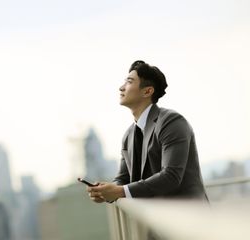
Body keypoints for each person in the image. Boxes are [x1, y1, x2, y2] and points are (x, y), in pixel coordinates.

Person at [87, 60, 208, 203]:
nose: (121, 87)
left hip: (187, 217)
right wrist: (105, 190)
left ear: (147, 91)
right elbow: (123, 178)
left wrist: (119, 191)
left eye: (129, 82)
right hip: (153, 219)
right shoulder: (129, 135)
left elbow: (171, 176)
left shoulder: (172, 122)